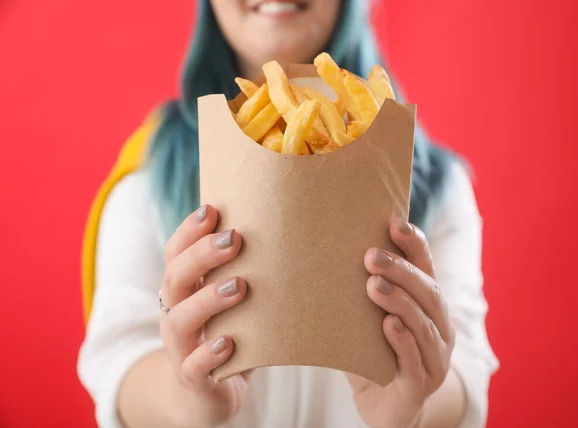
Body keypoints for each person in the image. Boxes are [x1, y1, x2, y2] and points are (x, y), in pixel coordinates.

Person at [77, 0, 499, 427]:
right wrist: (189, 401)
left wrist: (414, 408)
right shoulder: (145, 179)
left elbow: (467, 370)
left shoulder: (439, 185)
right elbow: (116, 359)